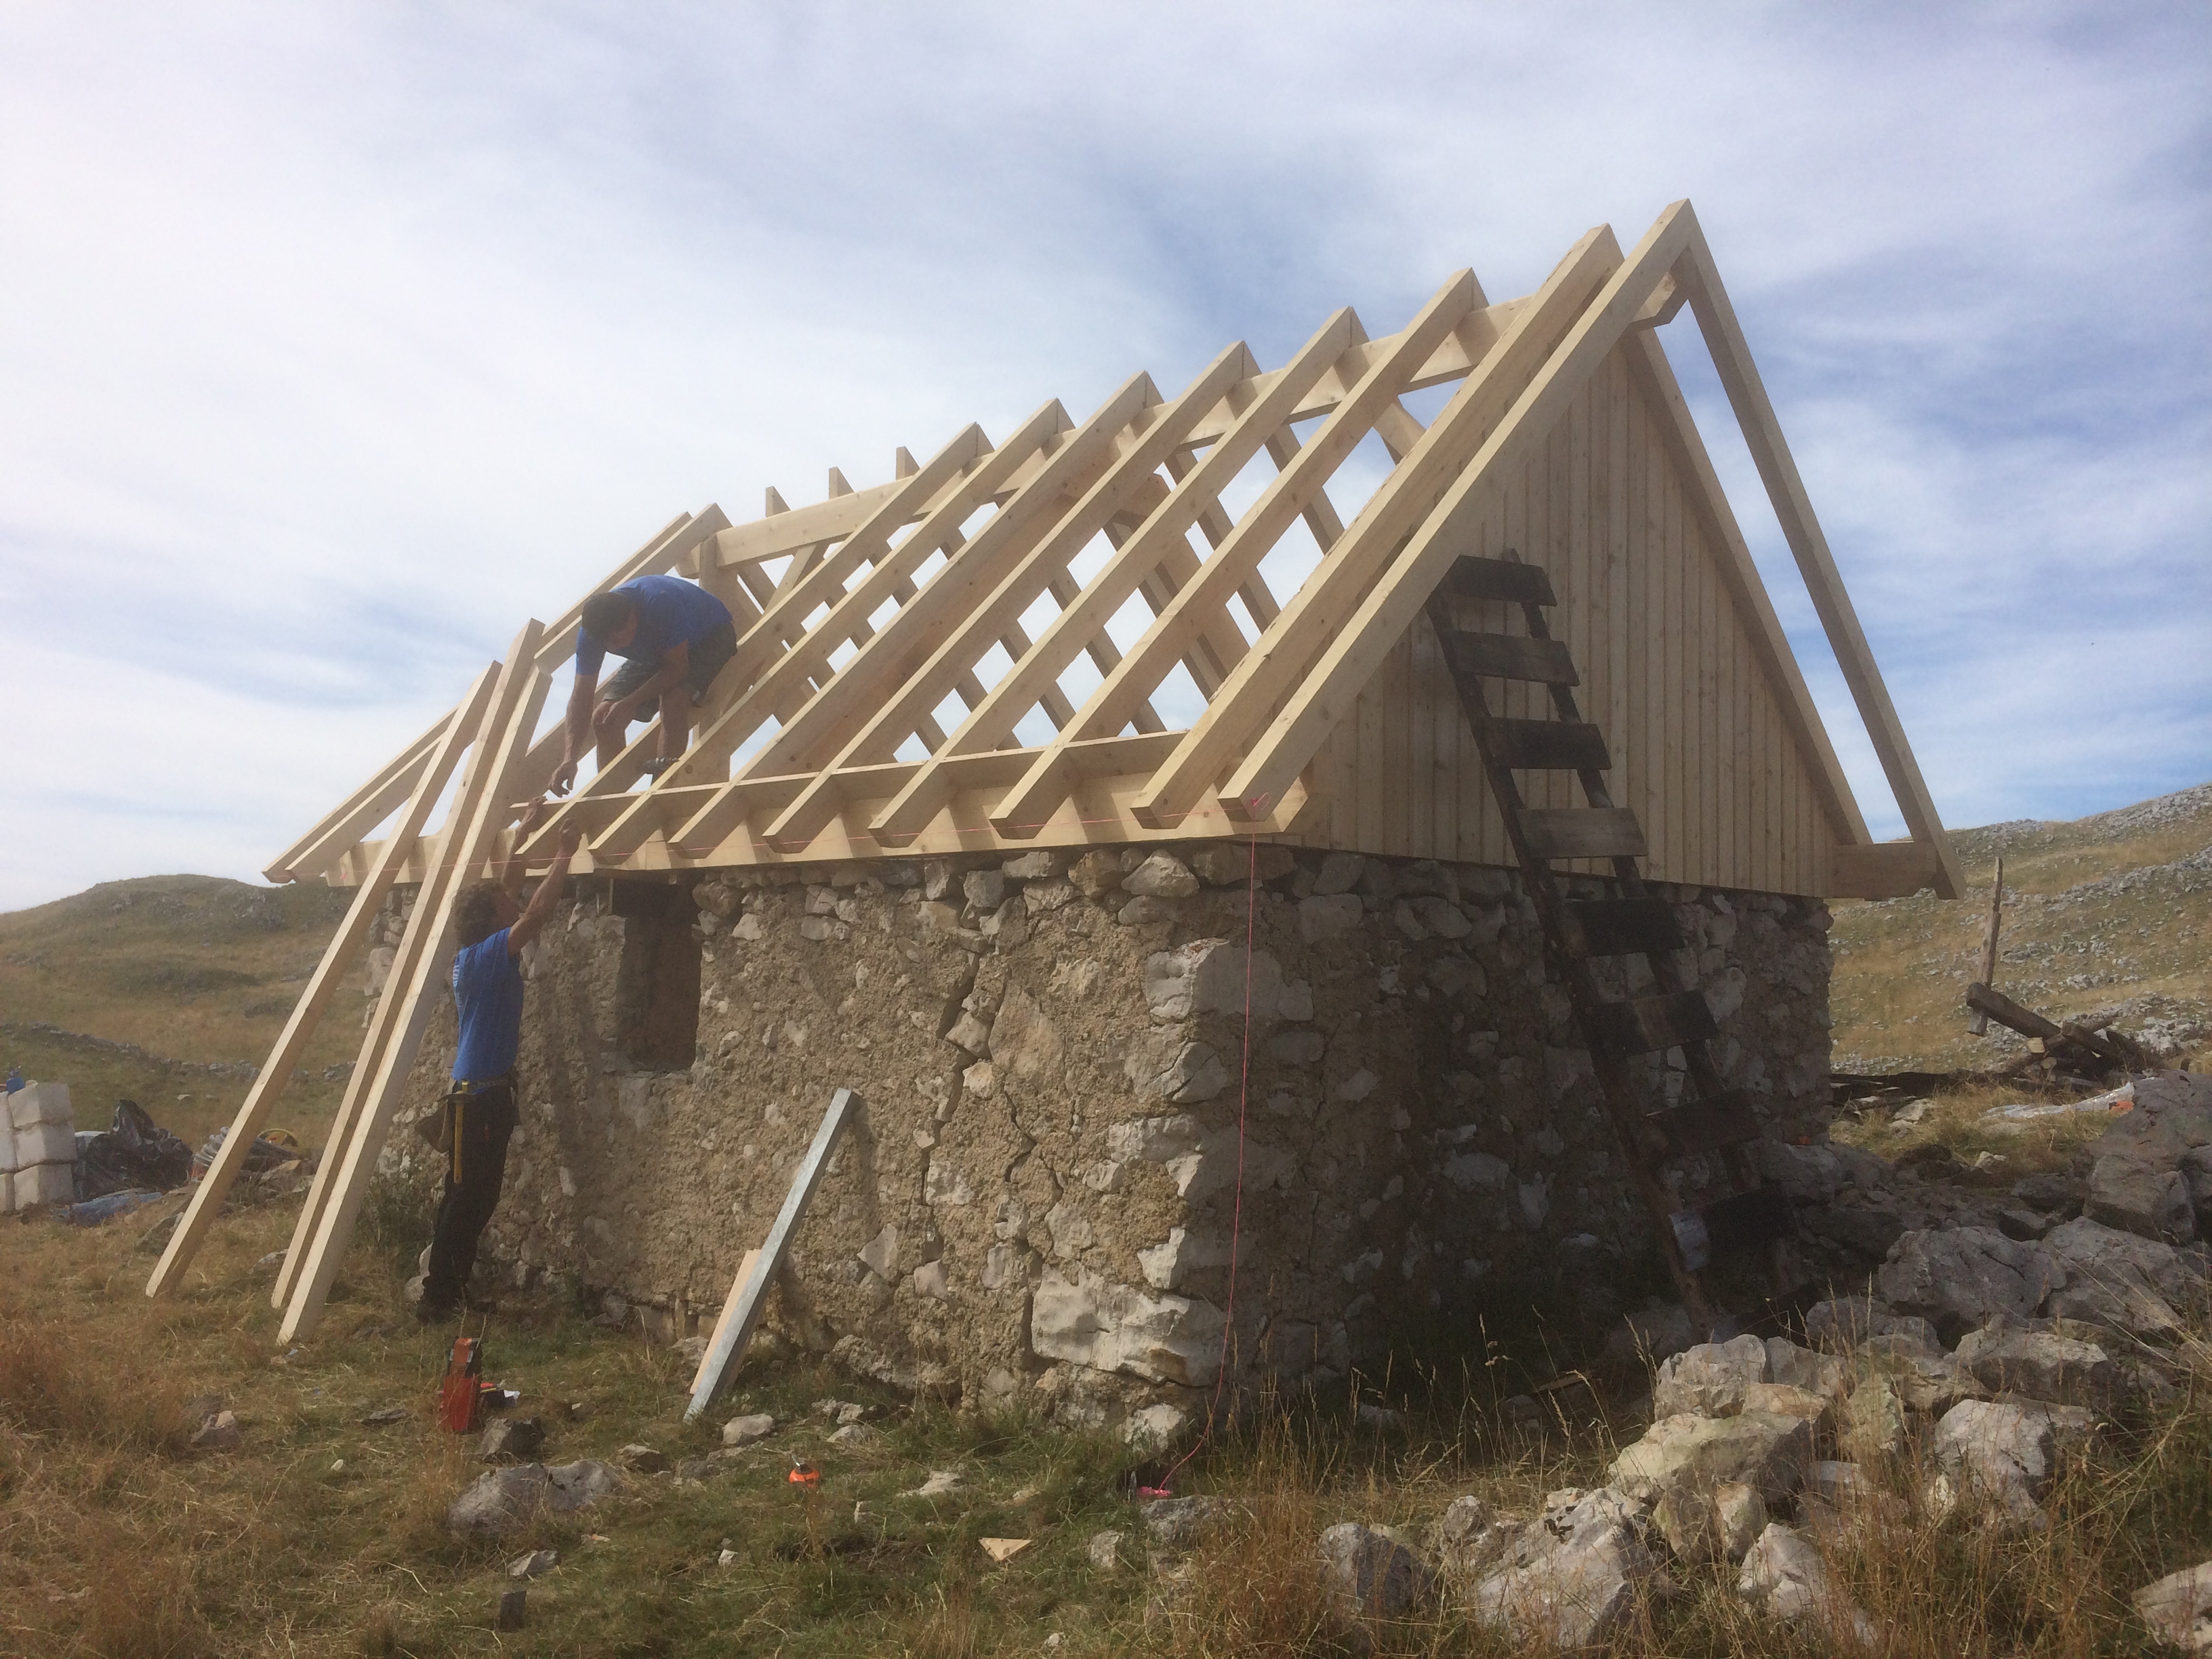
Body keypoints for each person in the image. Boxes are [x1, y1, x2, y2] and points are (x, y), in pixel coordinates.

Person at [419, 802, 581, 1324]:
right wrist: (563, 854)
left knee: (470, 1196)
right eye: (504, 902)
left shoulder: (475, 952)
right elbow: (534, 914)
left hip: (482, 1094)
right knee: (469, 1200)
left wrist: (525, 833)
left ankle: (448, 1289)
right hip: (478, 1098)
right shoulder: (491, 954)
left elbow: (505, 891)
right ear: (492, 919)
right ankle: (437, 1299)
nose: (514, 900)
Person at [550, 574, 737, 792]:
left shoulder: (660, 603)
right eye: (607, 644)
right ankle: (613, 802)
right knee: (603, 718)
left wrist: (631, 702)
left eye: (618, 640)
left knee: (674, 701)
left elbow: (677, 668)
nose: (614, 649)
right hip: (657, 650)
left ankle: (664, 789)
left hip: (710, 636)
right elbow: (581, 695)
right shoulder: (592, 634)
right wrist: (569, 758)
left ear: (633, 618)